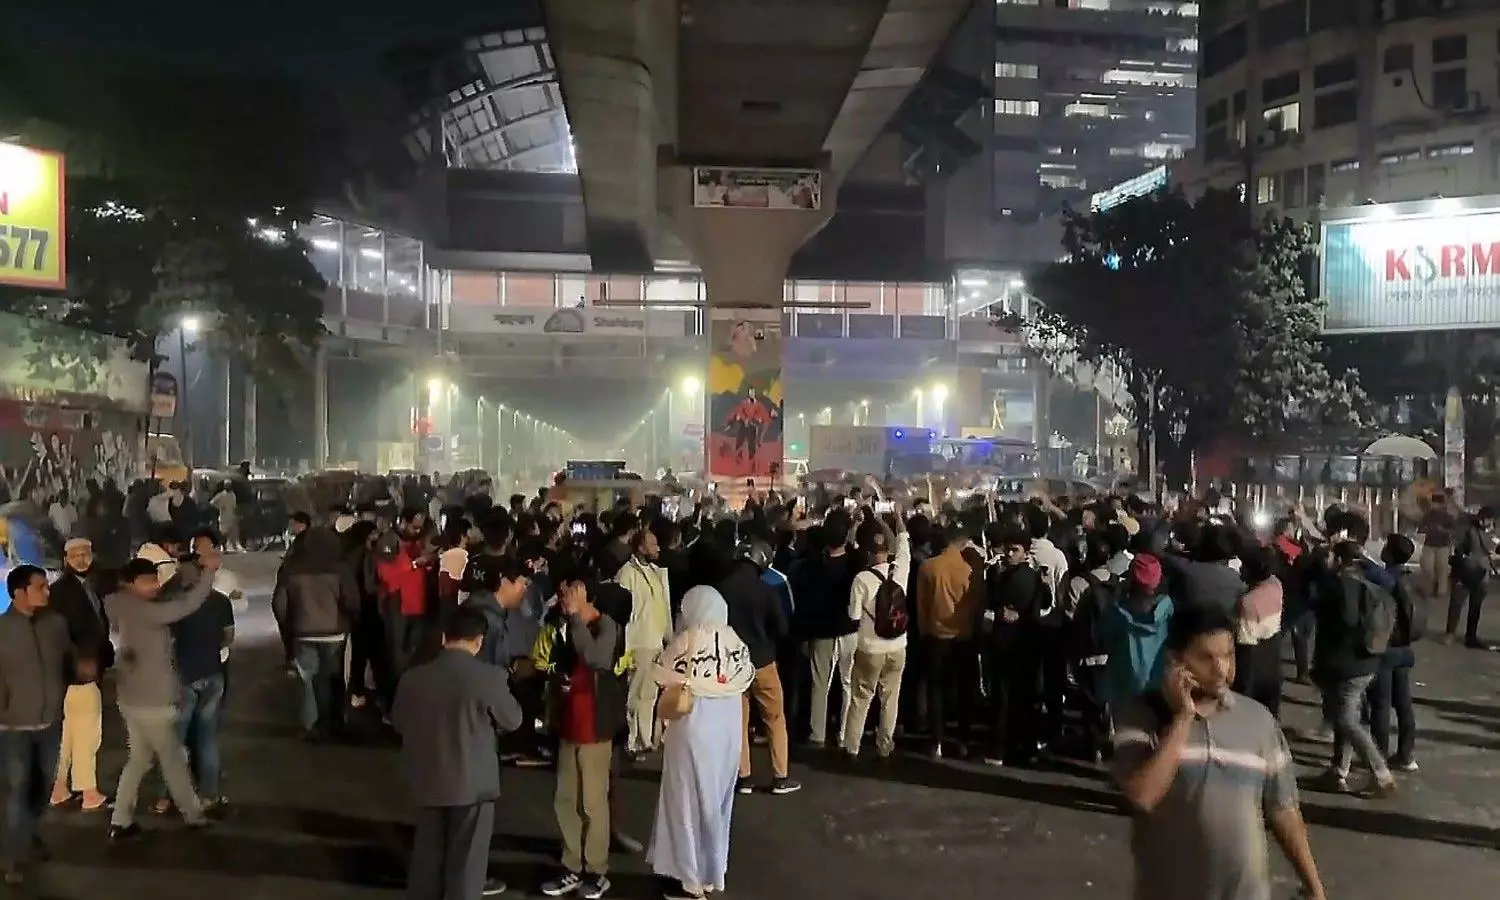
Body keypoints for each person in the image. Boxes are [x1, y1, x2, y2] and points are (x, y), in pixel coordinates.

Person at [1112, 604, 1326, 900]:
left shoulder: (1258, 719)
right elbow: (1142, 795)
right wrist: (1183, 718)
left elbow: (1283, 810)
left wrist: (1314, 887)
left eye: (1228, 655)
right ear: (1176, 660)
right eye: (1206, 658)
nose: (1222, 669)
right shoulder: (1141, 715)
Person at [393, 604, 523, 900]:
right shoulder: (488, 678)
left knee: (427, 861)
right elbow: (513, 720)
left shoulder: (413, 679)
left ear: (443, 638)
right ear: (479, 641)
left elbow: (400, 721)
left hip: (427, 781)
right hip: (472, 785)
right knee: (466, 866)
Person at [646, 586, 755, 900]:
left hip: (692, 728)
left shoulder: (687, 640)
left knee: (685, 803)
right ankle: (710, 873)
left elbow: (660, 674)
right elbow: (745, 678)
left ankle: (688, 880)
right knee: (717, 804)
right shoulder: (737, 642)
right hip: (728, 730)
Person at [105, 555, 216, 841]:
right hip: (151, 700)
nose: (154, 585)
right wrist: (208, 575)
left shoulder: (121, 603)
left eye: (155, 579)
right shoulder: (144, 611)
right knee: (173, 760)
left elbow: (166, 597)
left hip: (131, 697)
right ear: (130, 583)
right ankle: (193, 814)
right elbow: (185, 606)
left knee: (139, 760)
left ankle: (121, 819)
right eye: (147, 581)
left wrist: (181, 574)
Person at [534, 571, 630, 900]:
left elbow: (595, 657)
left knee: (592, 802)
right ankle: (571, 865)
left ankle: (596, 869)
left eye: (567, 594)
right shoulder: (564, 625)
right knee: (566, 800)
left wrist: (575, 617)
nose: (562, 601)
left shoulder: (607, 627)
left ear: (583, 592)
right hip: (569, 725)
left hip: (595, 729)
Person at [0, 565, 94, 887]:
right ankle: (11, 857)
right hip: (12, 728)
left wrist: (81, 667)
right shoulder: (2, 630)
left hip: (50, 721)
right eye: (41, 587)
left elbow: (68, 660)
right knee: (16, 793)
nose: (47, 592)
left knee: (42, 791)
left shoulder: (55, 624)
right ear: (18, 592)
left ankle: (28, 833)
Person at [1311, 541, 1397, 798]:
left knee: (1346, 719)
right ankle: (1339, 770)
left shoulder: (1338, 588)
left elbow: (1340, 621)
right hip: (1368, 660)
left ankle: (1381, 774)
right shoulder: (1371, 585)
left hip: (1345, 663)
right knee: (1346, 715)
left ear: (1338, 560)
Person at [158, 530, 235, 814]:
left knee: (175, 741)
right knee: (207, 738)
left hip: (181, 677)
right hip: (213, 673)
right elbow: (228, 637)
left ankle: (169, 796)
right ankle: (210, 794)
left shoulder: (173, 602)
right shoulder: (219, 601)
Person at [718, 538, 798, 795]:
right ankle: (780, 776)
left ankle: (744, 777)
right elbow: (782, 628)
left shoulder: (721, 589)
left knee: (739, 721)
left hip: (732, 663)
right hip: (763, 661)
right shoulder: (767, 590)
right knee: (774, 718)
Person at [273, 526, 362, 740]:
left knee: (307, 680)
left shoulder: (291, 568)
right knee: (333, 678)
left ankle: (310, 726)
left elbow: (279, 604)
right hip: (334, 632)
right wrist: (351, 620)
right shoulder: (340, 569)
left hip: (303, 632)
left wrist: (289, 626)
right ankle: (334, 722)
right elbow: (351, 601)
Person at [47, 538, 113, 811]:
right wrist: (81, 661)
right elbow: (59, 632)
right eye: (75, 555)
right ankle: (88, 791)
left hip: (73, 673)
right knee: (87, 733)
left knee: (69, 734)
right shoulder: (64, 591)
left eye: (85, 554)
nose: (81, 559)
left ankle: (59, 788)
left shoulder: (88, 586)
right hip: (79, 672)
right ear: (65, 559)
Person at [841, 513, 910, 760]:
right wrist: (897, 518)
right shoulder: (901, 570)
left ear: (868, 553)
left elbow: (853, 615)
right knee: (890, 698)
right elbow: (903, 542)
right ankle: (885, 745)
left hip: (870, 647)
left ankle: (852, 747)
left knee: (861, 698)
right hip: (898, 645)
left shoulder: (861, 579)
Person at [617, 527, 671, 756]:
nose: (657, 548)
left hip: (656, 641)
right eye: (652, 543)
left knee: (649, 694)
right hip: (639, 641)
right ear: (640, 547)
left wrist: (669, 636)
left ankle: (645, 739)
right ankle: (632, 740)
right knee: (636, 694)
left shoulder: (656, 573)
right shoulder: (627, 573)